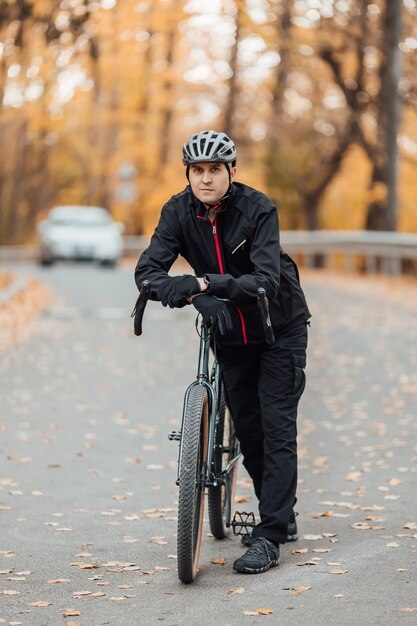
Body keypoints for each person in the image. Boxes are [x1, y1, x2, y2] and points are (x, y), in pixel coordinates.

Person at [134, 130, 311, 574]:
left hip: (279, 329)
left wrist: (206, 283)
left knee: (275, 427)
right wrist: (196, 298)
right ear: (188, 175)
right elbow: (148, 271)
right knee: (249, 428)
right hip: (230, 331)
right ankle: (279, 510)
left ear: (232, 171)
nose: (207, 179)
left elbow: (266, 280)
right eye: (198, 171)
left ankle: (270, 534)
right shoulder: (178, 211)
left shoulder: (257, 209)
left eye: (216, 170)